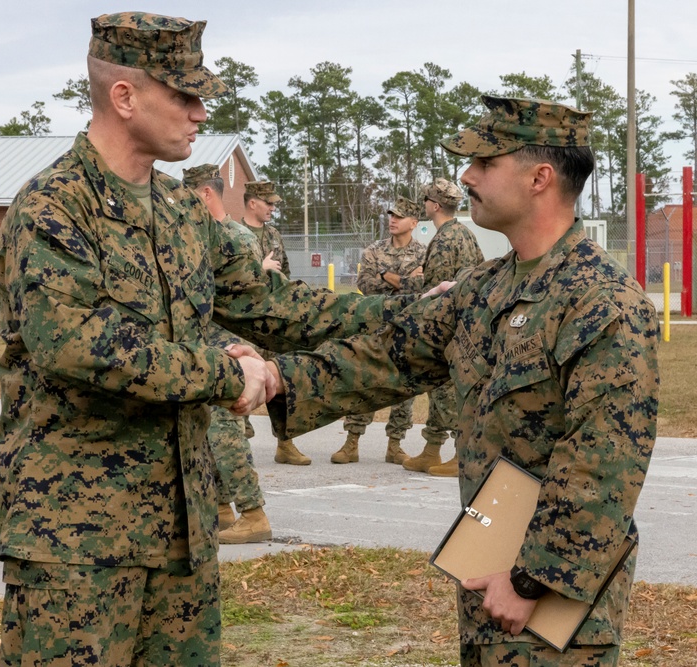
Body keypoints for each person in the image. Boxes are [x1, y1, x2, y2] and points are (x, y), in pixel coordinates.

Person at [0, 13, 414, 666]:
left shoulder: (180, 211)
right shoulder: (52, 208)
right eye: (184, 94)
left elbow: (273, 306)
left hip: (182, 533)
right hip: (76, 543)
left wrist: (409, 317)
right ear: (124, 97)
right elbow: (77, 343)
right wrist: (225, 372)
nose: (200, 111)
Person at [263, 96, 660, 667]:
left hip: (552, 609)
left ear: (540, 177)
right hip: (489, 579)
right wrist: (272, 379)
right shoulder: (485, 288)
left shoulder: (603, 302)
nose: (466, 177)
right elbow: (388, 356)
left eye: (484, 164)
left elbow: (605, 462)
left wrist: (531, 580)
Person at [183, 163, 270, 544]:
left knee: (226, 432)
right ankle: (221, 508)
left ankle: (253, 514)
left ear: (205, 194)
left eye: (188, 197)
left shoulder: (233, 237)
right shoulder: (201, 233)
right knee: (208, 431)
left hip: (228, 345)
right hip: (205, 345)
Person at [331, 195, 426, 465]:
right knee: (363, 380)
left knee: (405, 386)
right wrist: (402, 281)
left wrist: (384, 275)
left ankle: (395, 445)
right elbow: (365, 284)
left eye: (399, 216)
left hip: (408, 326)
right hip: (375, 324)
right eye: (391, 215)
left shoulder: (423, 252)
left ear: (414, 222)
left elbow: (421, 287)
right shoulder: (373, 250)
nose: (393, 220)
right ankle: (351, 443)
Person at [401, 177, 484, 477]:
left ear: (435, 206)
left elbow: (436, 286)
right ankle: (432, 449)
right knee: (440, 388)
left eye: (426, 200)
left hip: (447, 324)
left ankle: (462, 455)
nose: (424, 204)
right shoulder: (465, 234)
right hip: (466, 321)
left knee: (450, 390)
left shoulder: (444, 239)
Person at [239, 179, 310, 465]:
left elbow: (286, 274)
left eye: (274, 204)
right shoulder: (231, 233)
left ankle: (285, 443)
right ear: (252, 202)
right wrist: (259, 268)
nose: (272, 208)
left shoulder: (274, 236)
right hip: (241, 320)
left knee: (280, 380)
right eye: (268, 203)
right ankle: (238, 448)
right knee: (240, 379)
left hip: (272, 319)